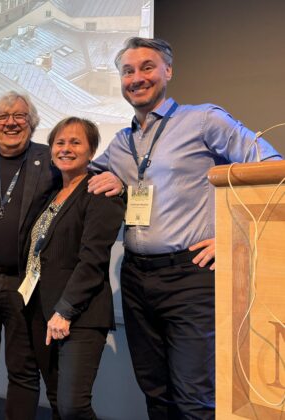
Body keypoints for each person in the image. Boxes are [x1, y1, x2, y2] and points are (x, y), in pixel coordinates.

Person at [89, 37, 282, 419]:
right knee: (155, 391)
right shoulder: (121, 142)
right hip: (136, 276)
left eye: (147, 67)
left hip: (190, 277)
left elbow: (271, 168)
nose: (136, 78)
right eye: (128, 71)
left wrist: (233, 240)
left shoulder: (203, 119)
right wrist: (109, 177)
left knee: (195, 396)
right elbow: (87, 179)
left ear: (168, 71)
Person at [0, 91, 61, 419]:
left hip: (25, 281)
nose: (11, 122)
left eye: (19, 116)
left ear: (32, 124)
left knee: (23, 370)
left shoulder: (49, 159)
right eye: (3, 116)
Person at [20, 117, 125, 419]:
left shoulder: (99, 193)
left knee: (72, 406)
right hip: (42, 311)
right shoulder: (52, 194)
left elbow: (92, 260)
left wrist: (65, 310)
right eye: (60, 142)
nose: (66, 148)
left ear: (92, 151)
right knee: (56, 401)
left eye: (76, 142)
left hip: (78, 315)